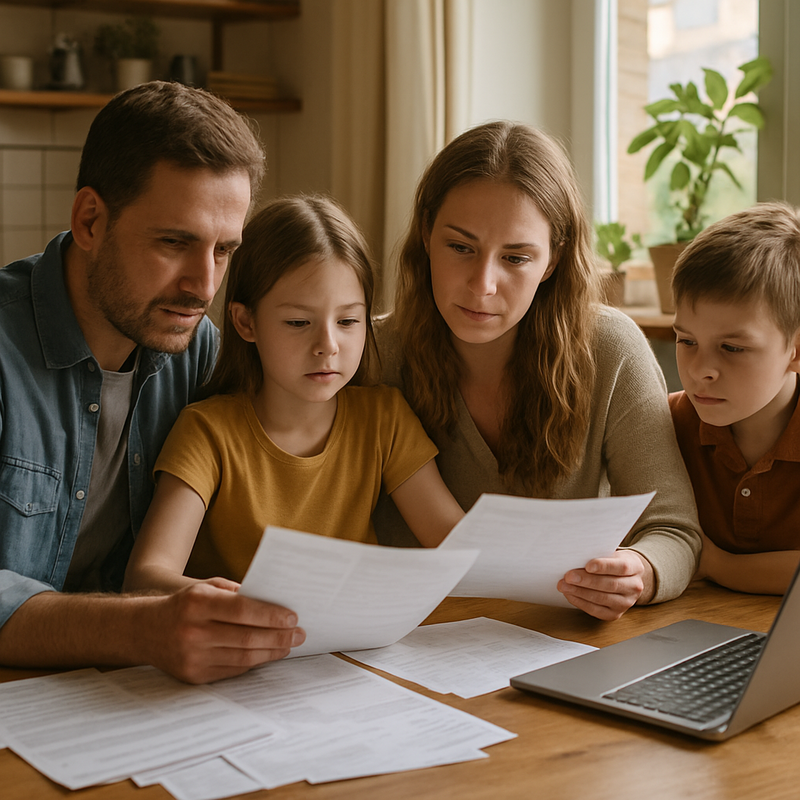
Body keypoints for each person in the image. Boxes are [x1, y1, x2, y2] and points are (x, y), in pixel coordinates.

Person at [0, 80, 305, 685]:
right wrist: (141, 628)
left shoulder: (198, 350)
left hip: (128, 694)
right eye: (175, 242)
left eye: (224, 250)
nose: (204, 285)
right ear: (90, 220)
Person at [373, 120, 702, 620]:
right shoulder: (369, 353)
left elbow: (674, 530)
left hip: (557, 643)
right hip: (399, 646)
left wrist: (638, 569)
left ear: (552, 260)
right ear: (425, 234)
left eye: (516, 257)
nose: (482, 284)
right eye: (460, 248)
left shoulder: (610, 350)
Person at [124, 195, 465, 592]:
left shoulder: (385, 419)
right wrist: (241, 607)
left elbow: (457, 546)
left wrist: (552, 579)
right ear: (245, 322)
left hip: (349, 645)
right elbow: (145, 578)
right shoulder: (207, 432)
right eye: (299, 322)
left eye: (349, 320)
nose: (328, 345)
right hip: (240, 646)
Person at [669, 202, 800, 595]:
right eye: (686, 341)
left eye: (732, 347)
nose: (699, 370)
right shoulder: (663, 424)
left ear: (795, 352)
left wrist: (713, 563)